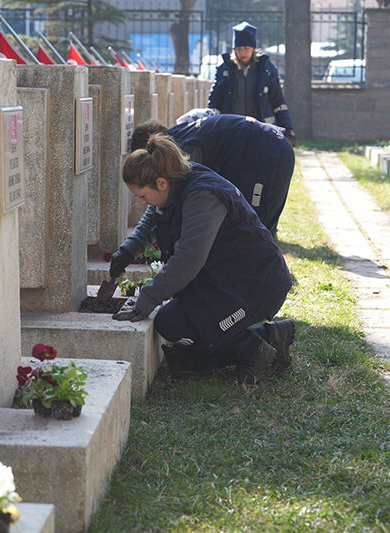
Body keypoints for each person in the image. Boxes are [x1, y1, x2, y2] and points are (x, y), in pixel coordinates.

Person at [110, 133, 294, 384]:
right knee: (173, 323)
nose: (143, 203)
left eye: (142, 196)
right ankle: (271, 336)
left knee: (180, 327)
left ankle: (253, 349)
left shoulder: (202, 196)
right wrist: (127, 252)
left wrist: (146, 299)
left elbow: (189, 259)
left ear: (161, 183)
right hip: (226, 279)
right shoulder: (177, 180)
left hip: (256, 285)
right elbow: (153, 216)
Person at [128, 114, 294, 237]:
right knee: (252, 228)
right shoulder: (177, 139)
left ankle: (267, 278)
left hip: (269, 154)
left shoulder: (185, 150)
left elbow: (192, 200)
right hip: (270, 148)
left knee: (256, 227)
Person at [208, 21, 296, 147]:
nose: (243, 53)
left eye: (246, 49)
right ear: (234, 50)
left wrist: (287, 127)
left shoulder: (267, 70)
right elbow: (214, 100)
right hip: (231, 128)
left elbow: (278, 101)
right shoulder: (224, 70)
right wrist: (211, 124)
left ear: (253, 49)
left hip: (261, 128)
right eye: (239, 49)